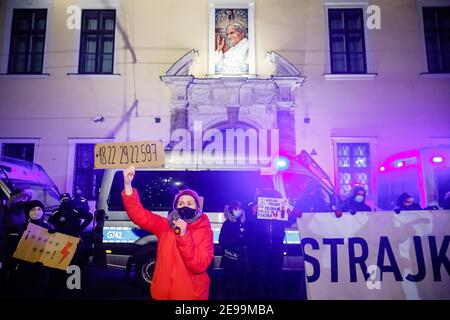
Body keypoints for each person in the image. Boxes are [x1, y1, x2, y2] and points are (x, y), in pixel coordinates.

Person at [121, 165, 213, 300]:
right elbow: (139, 215)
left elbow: (199, 266)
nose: (185, 206)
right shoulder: (165, 226)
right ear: (175, 208)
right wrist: (128, 184)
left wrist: (184, 236)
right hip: (162, 295)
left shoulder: (204, 230)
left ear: (197, 208)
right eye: (180, 203)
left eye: (190, 203)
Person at [245, 188, 294, 300]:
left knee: (277, 275)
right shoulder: (253, 208)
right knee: (261, 275)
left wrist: (290, 215)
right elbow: (248, 226)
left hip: (277, 247)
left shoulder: (281, 209)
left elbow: (289, 222)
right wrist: (253, 214)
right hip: (260, 247)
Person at [218, 200, 249, 299]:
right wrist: (235, 241)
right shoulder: (227, 224)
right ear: (231, 210)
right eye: (236, 208)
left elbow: (249, 238)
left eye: (239, 208)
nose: (238, 210)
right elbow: (222, 241)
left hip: (242, 262)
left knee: (242, 287)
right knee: (231, 287)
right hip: (230, 260)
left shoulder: (244, 223)